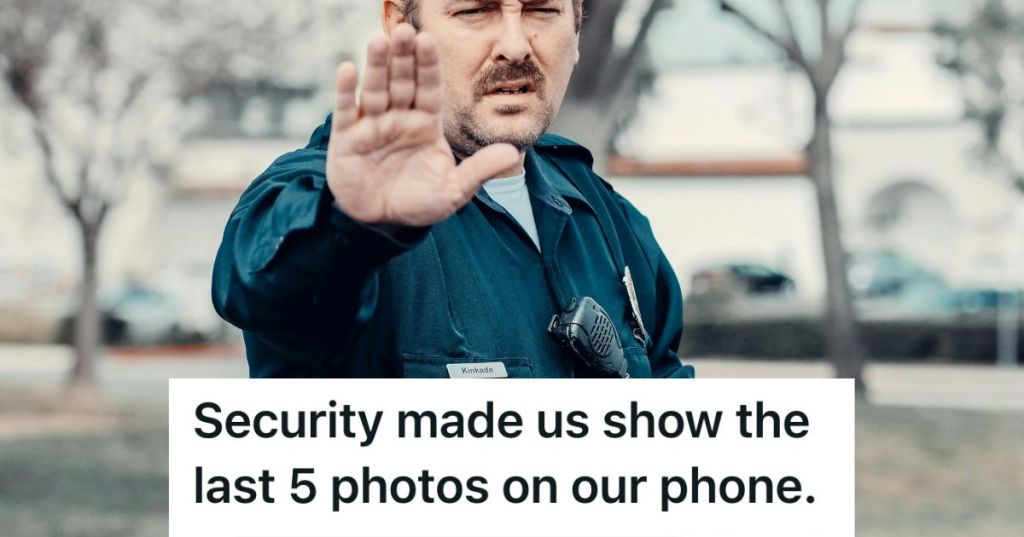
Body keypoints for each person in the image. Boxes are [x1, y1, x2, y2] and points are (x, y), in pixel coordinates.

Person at [212, 0, 695, 379]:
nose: (515, 44)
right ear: (402, 25)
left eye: (541, 9)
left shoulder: (604, 215)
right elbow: (262, 285)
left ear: (577, 25)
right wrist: (353, 228)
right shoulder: (334, 193)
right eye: (475, 10)